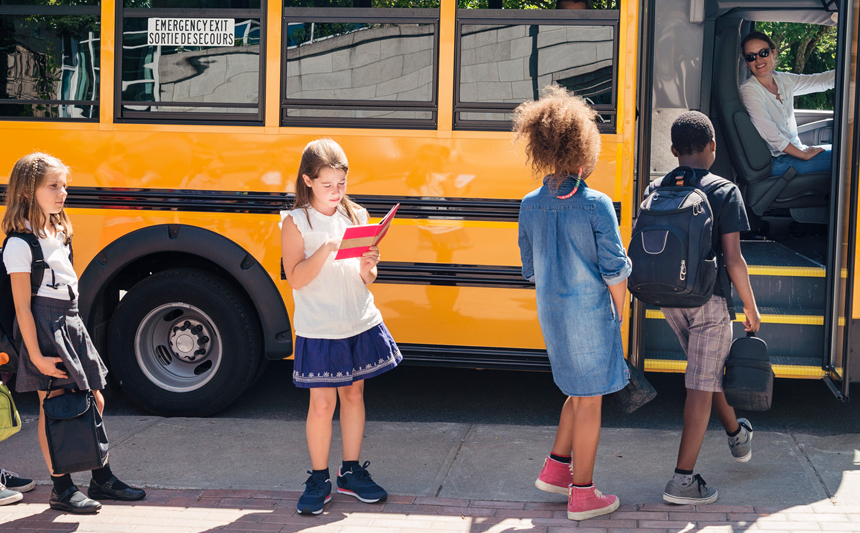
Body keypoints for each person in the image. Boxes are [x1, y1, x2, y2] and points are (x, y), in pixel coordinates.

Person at [2, 153, 145, 514]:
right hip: (44, 327)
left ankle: (102, 477)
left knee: (94, 400)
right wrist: (35, 356)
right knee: (56, 408)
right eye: (53, 186)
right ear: (27, 190)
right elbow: (22, 307)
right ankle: (61, 489)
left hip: (71, 321)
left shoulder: (60, 231)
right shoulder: (19, 244)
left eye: (64, 185)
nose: (62, 192)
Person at [516, 85, 631, 521]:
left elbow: (530, 268)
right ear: (584, 152)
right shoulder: (596, 204)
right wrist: (618, 313)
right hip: (590, 313)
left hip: (553, 314)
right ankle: (583, 494)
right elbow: (616, 270)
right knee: (591, 400)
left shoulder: (529, 205)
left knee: (576, 392)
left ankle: (556, 469)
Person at [280, 138, 402, 516]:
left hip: (357, 319)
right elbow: (296, 278)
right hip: (319, 326)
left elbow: (366, 277)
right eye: (328, 185)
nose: (336, 192)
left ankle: (350, 471)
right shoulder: (295, 221)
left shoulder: (357, 214)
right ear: (308, 181)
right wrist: (326, 249)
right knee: (321, 403)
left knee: (353, 395)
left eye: (342, 184)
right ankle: (319, 477)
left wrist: (370, 267)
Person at [646, 112, 761, 505]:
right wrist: (750, 306)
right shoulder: (725, 190)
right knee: (700, 384)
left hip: (668, 297)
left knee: (706, 372)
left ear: (674, 150)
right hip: (709, 301)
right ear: (713, 146)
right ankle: (683, 480)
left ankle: (736, 435)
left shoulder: (657, 187)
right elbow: (733, 259)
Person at [739, 31, 835, 177]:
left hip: (795, 152)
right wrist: (803, 154)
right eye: (751, 56)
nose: (758, 60)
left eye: (763, 53)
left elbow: (821, 81)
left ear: (773, 53)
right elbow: (771, 135)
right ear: (747, 61)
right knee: (848, 157)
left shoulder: (782, 80)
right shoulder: (749, 90)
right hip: (777, 161)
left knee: (846, 149)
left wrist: (851, 70)